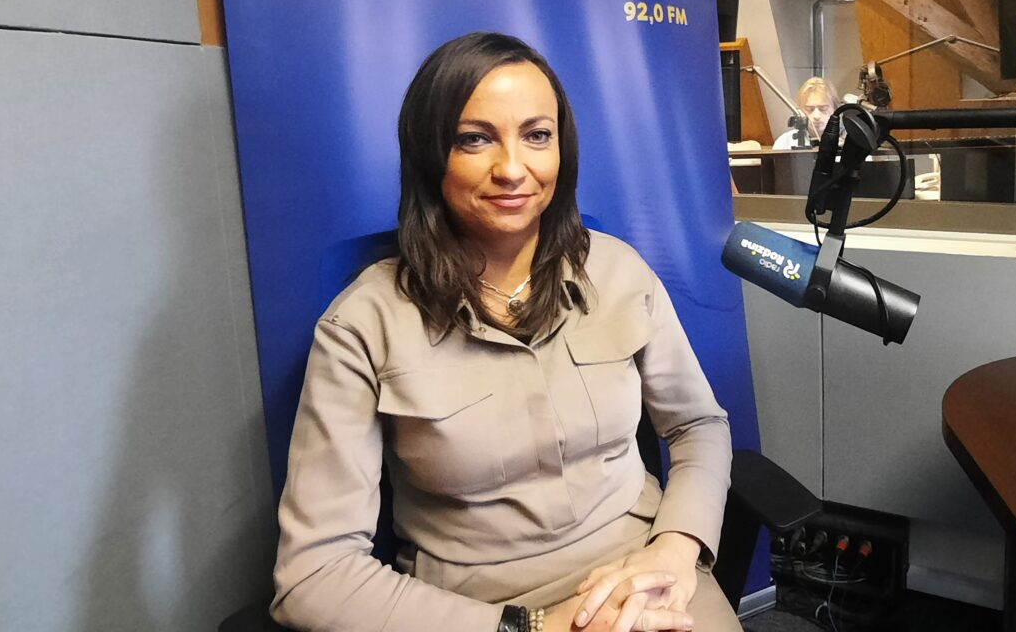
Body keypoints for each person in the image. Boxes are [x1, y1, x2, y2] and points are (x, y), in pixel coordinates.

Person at [271, 32, 739, 632]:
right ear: (430, 153)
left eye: (537, 136)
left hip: (644, 576)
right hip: (481, 611)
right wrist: (535, 628)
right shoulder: (363, 324)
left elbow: (698, 424)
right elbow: (314, 575)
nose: (513, 169)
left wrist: (675, 549)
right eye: (475, 139)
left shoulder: (620, 272)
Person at [772, 77, 837, 149]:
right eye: (809, 109)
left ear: (835, 108)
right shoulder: (784, 142)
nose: (816, 116)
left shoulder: (845, 141)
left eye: (823, 109)